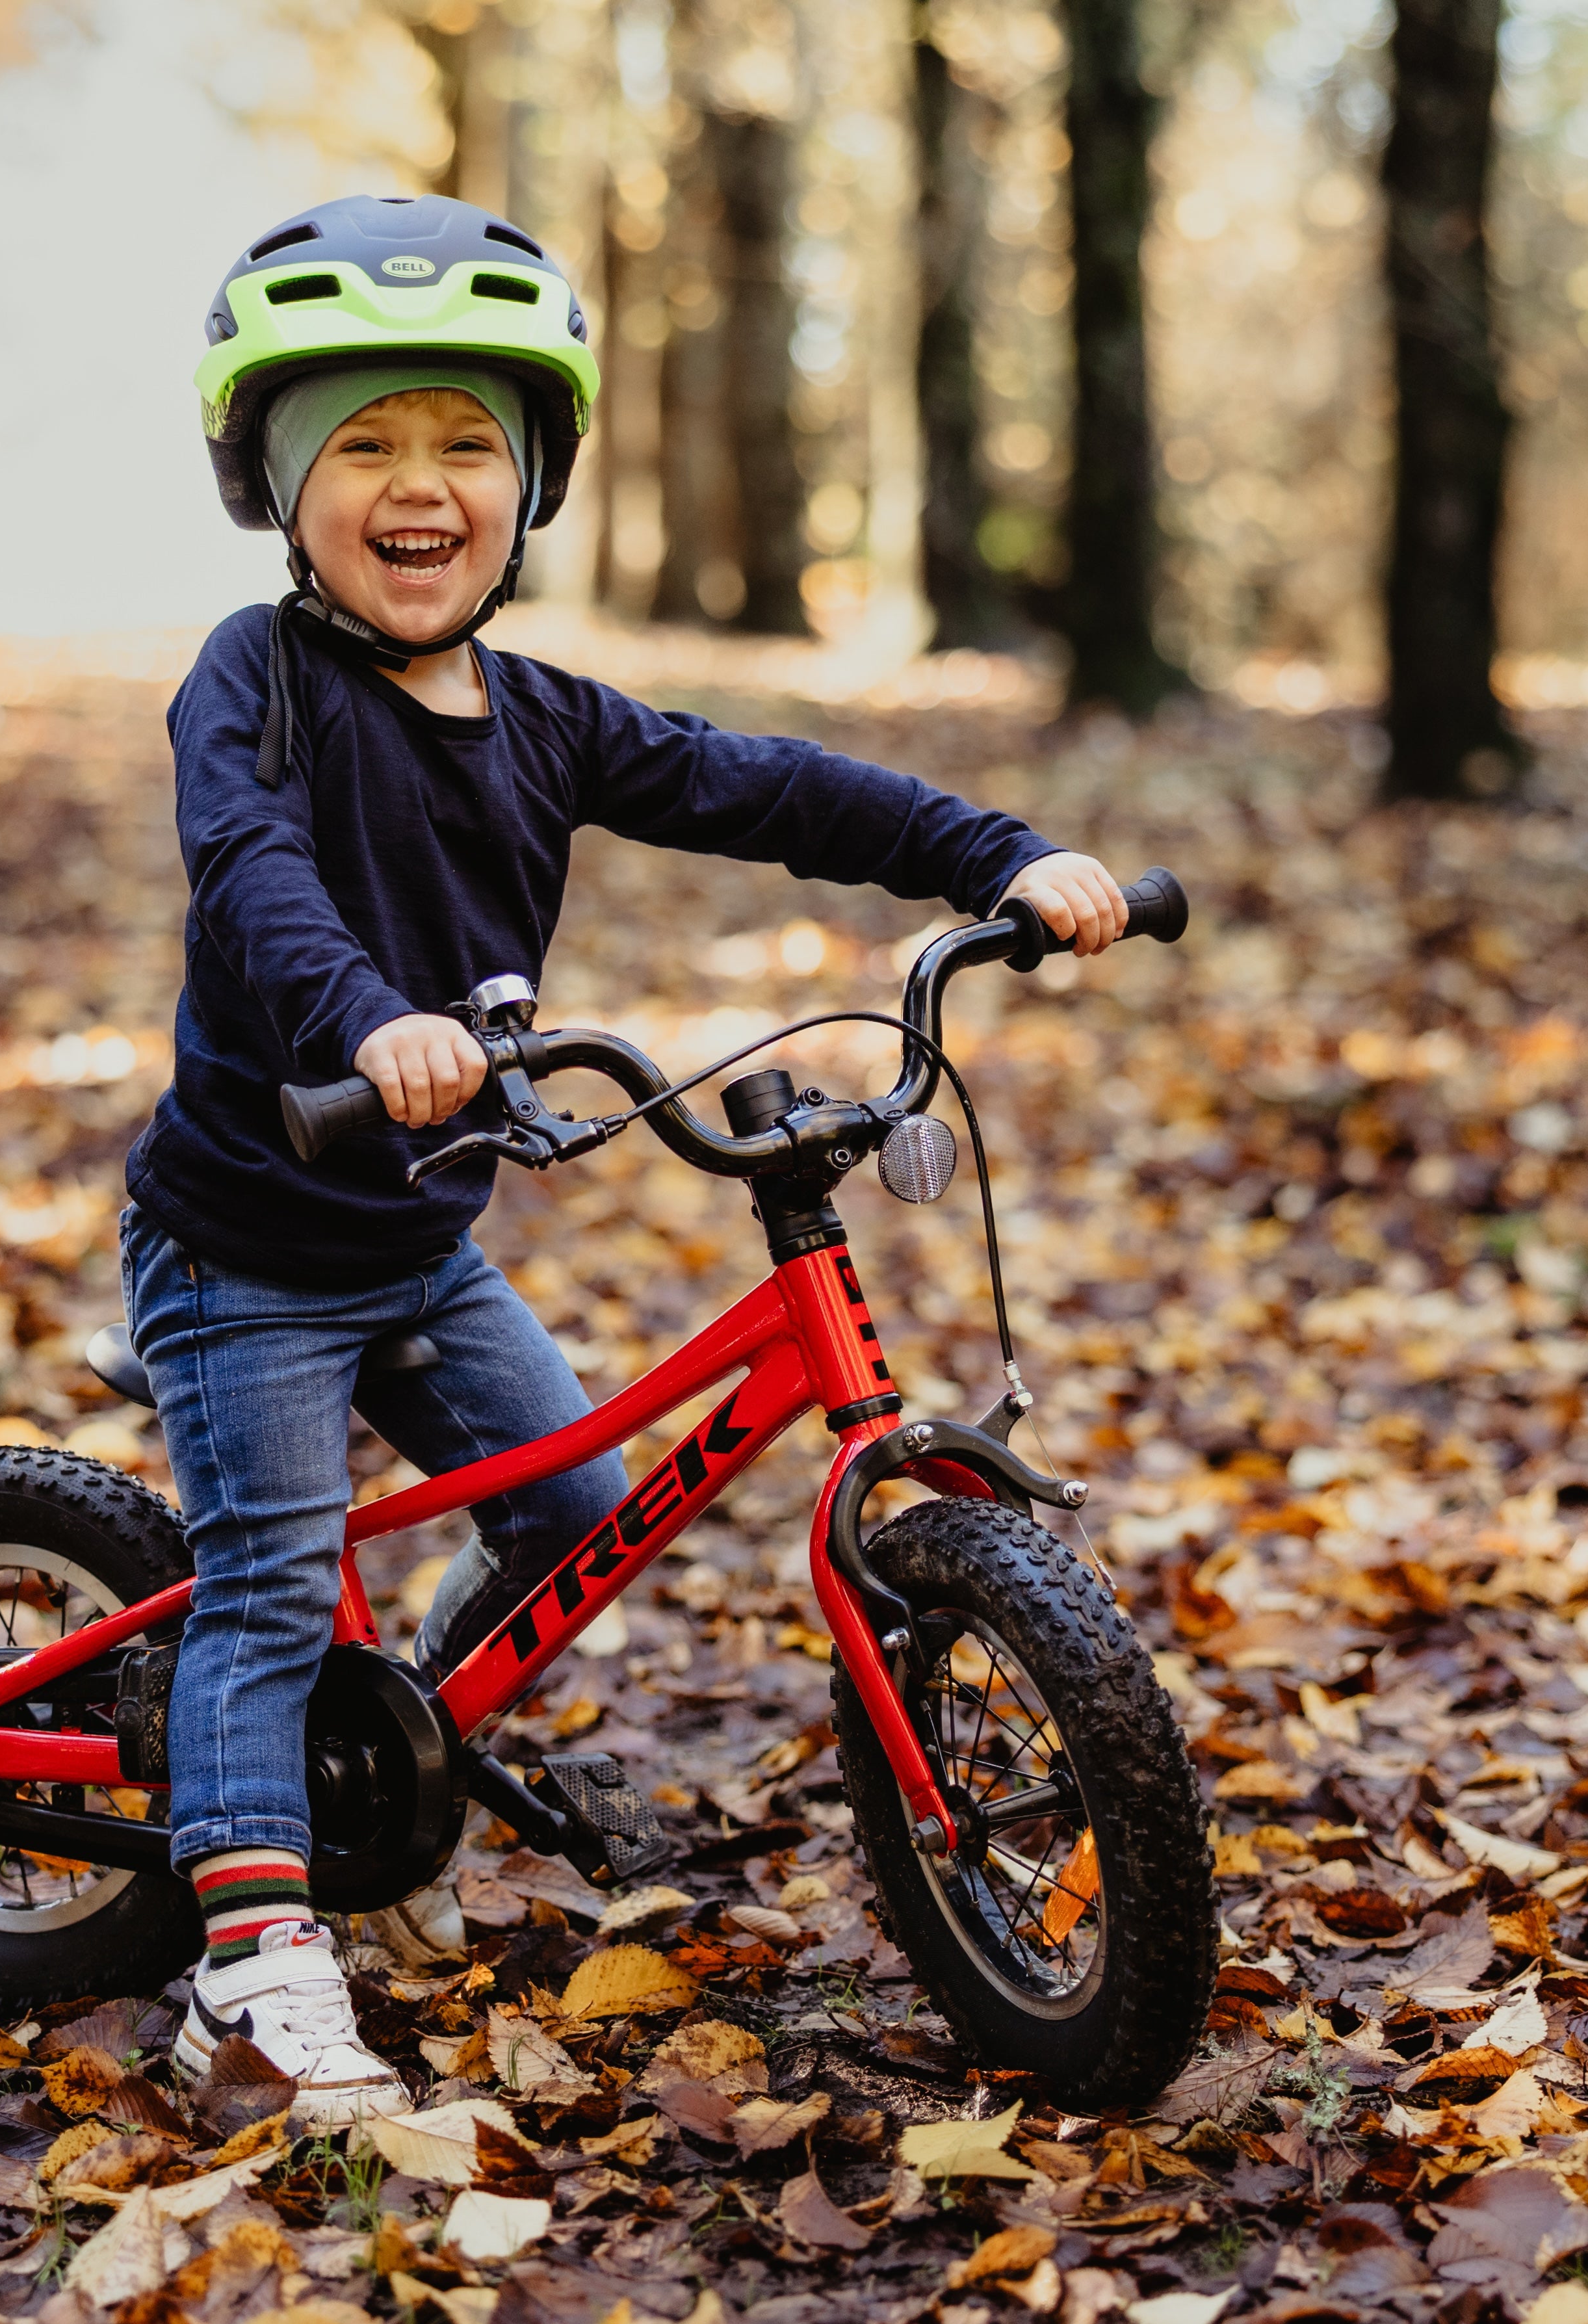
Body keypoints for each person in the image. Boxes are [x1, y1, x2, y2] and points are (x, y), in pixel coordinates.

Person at [124, 194, 1128, 2126]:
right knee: (264, 1585)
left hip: (416, 1236)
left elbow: (772, 784)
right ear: (272, 475)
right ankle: (247, 1977)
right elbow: (248, 871)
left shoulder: (546, 715)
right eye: (365, 445)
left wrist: (986, 851)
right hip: (251, 1238)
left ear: (534, 483)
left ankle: (382, 1745)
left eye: (465, 447)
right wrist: (364, 1020)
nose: (420, 488)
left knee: (569, 1497)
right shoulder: (248, 678)